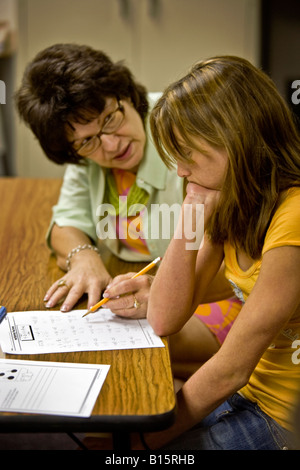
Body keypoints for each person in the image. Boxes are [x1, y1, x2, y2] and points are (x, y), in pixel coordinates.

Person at [15, 44, 241, 374]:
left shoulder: (185, 131)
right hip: (154, 293)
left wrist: (166, 293)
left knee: (128, 355)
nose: (110, 144)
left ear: (126, 96)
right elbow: (65, 222)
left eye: (110, 119)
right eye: (87, 141)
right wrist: (84, 258)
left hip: (220, 291)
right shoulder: (88, 149)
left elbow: (240, 261)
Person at [132, 55, 300, 450]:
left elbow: (230, 370)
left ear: (235, 140)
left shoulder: (293, 217)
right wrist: (191, 213)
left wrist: (145, 442)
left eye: (187, 153)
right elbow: (164, 317)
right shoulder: (235, 202)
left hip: (284, 414)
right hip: (252, 393)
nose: (179, 170)